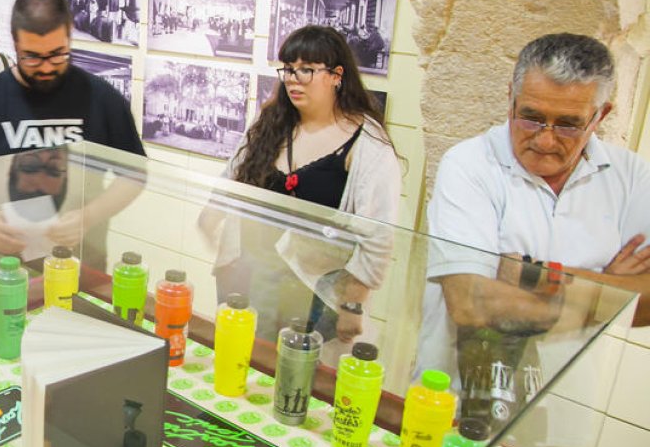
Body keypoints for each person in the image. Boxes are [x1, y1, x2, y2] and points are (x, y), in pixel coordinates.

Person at [419, 33, 650, 382]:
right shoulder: (470, 164)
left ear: (600, 116)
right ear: (510, 98)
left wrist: (533, 274)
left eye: (568, 124)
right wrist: (612, 289)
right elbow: (470, 302)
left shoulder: (632, 176)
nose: (544, 139)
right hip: (458, 398)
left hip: (569, 404)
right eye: (530, 117)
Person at [0, 0, 145, 284]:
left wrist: (89, 216)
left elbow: (135, 174)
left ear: (69, 37)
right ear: (15, 44)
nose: (46, 68)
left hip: (79, 267)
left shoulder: (101, 98)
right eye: (32, 58)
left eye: (57, 55)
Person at [201, 25, 401, 345]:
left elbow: (378, 233)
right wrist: (212, 214)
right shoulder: (271, 122)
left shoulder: (367, 143)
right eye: (289, 69)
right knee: (241, 359)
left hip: (309, 286)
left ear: (337, 75)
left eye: (306, 69)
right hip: (249, 272)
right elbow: (232, 174)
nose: (293, 79)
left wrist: (354, 301)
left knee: (288, 371)